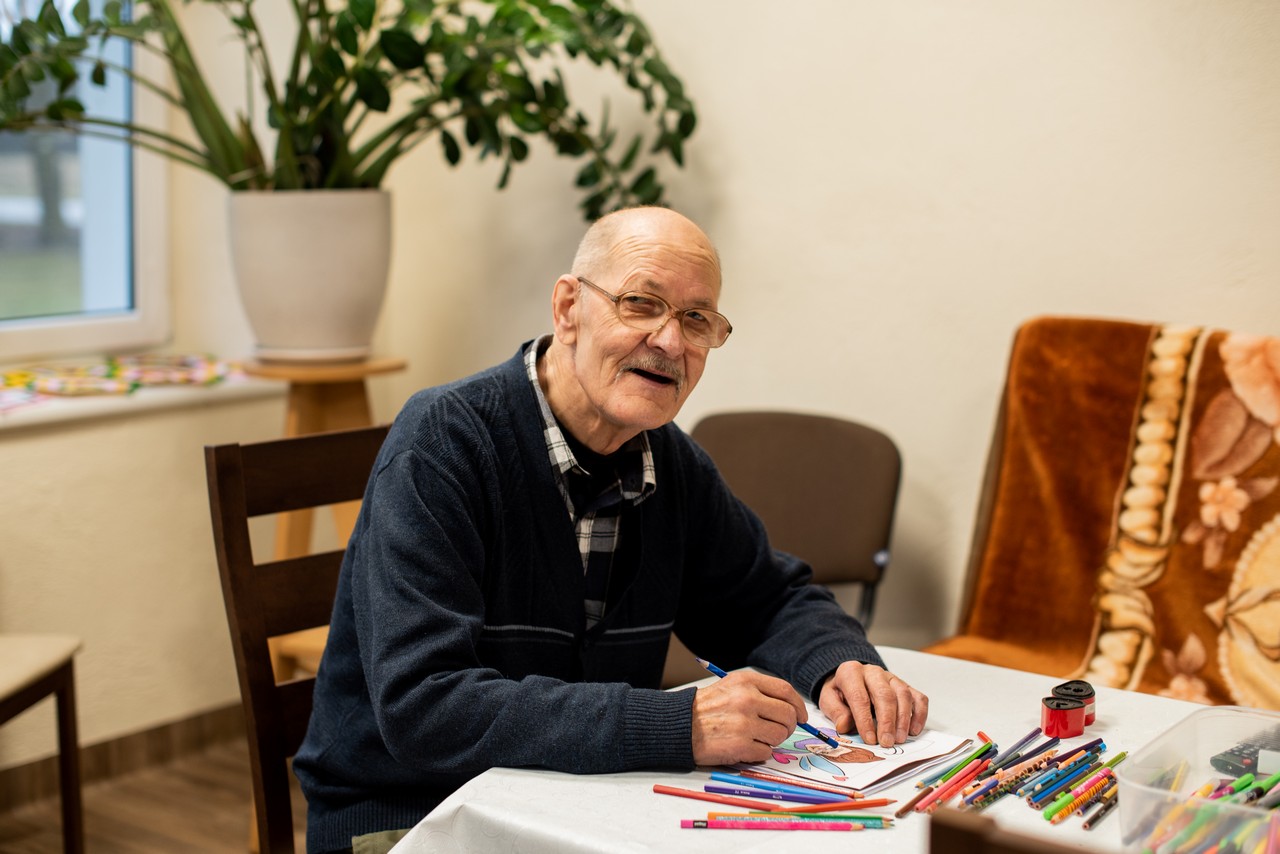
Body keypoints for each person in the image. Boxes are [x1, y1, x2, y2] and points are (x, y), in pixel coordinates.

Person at [294, 206, 929, 853]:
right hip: (412, 814)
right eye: (641, 303)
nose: (670, 342)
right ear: (568, 307)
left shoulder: (670, 461)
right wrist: (677, 725)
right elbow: (424, 706)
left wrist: (837, 664)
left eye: (696, 320)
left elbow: (766, 600)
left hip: (574, 801)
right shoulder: (444, 443)